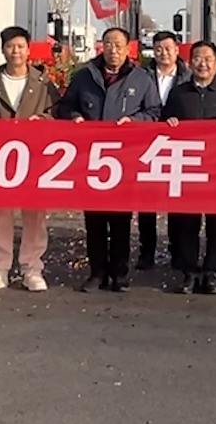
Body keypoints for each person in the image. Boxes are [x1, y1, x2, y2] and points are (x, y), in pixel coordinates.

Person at [60, 27, 162, 290]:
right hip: (91, 159)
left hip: (125, 159)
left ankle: (119, 273)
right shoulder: (84, 76)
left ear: (128, 49)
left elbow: (154, 112)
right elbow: (66, 106)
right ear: (100, 46)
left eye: (118, 45)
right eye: (108, 44)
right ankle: (96, 273)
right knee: (94, 219)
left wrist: (135, 121)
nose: (113, 50)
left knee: (120, 220)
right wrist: (75, 117)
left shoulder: (141, 79)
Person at [0, 25, 60, 293]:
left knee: (34, 215)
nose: (16, 51)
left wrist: (41, 121)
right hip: (0, 159)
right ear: (3, 50)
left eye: (21, 46)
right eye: (10, 46)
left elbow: (57, 113)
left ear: (28, 49)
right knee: (0, 214)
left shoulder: (42, 83)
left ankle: (32, 269)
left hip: (34, 158)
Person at [163, 40, 216, 295]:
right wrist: (170, 122)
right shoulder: (179, 93)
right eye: (197, 58)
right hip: (187, 168)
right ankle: (189, 272)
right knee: (186, 223)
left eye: (208, 59)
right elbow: (163, 121)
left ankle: (211, 273)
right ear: (189, 63)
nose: (202, 63)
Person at [135, 31, 188, 272]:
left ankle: (178, 249)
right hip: (148, 144)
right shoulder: (141, 77)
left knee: (179, 200)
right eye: (158, 48)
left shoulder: (187, 77)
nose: (163, 53)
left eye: (168, 48)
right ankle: (147, 251)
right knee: (147, 200)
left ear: (177, 50)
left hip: (180, 146)